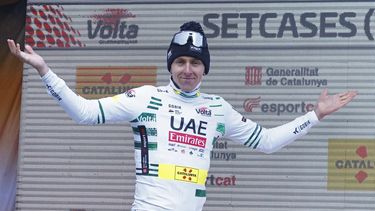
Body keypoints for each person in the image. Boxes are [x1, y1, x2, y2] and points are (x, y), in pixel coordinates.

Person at [7, 21, 357, 211]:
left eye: (196, 62)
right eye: (181, 61)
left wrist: (314, 115)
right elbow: (83, 112)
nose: (188, 69)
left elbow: (266, 142)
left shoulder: (217, 108)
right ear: (171, 65)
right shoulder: (145, 97)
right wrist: (44, 70)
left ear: (204, 68)